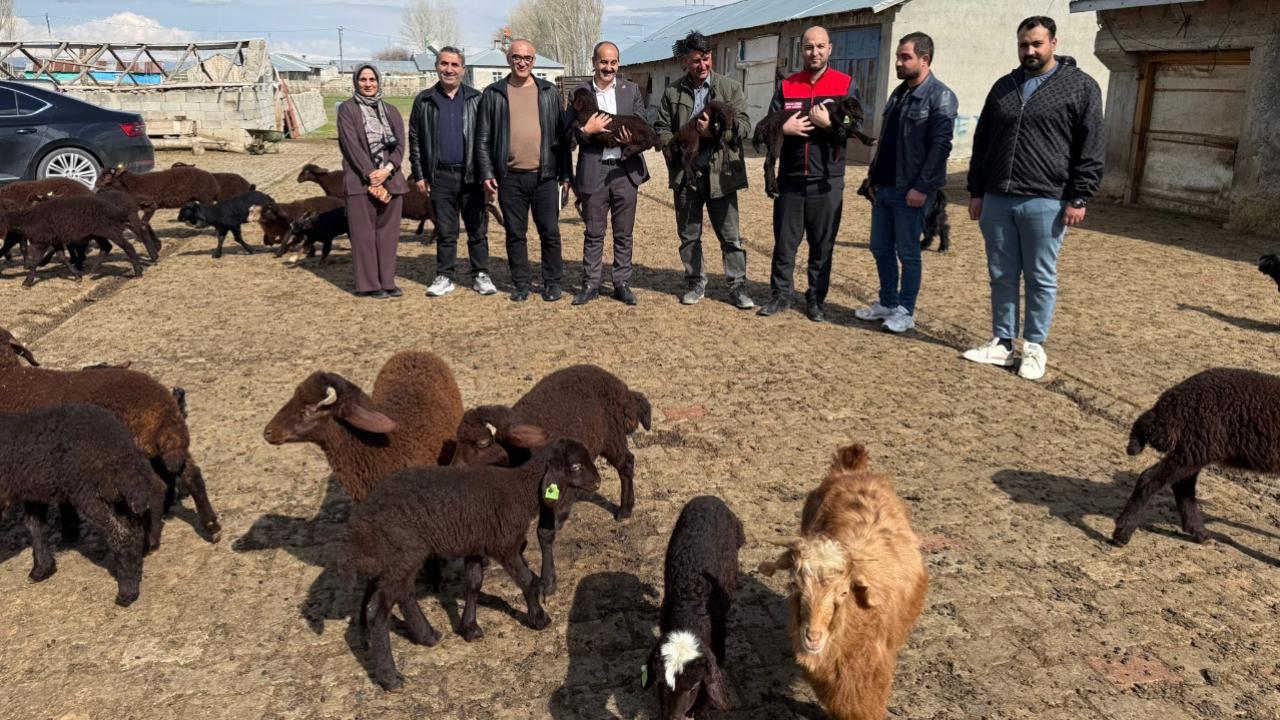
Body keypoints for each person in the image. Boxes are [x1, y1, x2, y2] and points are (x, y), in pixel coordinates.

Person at [962, 16, 1103, 380]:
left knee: (1040, 276)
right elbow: (982, 143)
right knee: (1001, 273)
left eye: (1037, 44)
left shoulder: (1080, 87)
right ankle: (1003, 343)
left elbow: (1091, 145)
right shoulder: (1004, 87)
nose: (1030, 51)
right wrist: (976, 190)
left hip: (1046, 198)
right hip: (997, 197)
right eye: (1024, 44)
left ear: (1053, 43)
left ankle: (1035, 347)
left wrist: (1079, 196)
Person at [757, 26, 863, 322]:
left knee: (822, 245)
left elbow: (852, 131)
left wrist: (829, 125)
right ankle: (780, 296)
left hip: (827, 181)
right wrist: (784, 129)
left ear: (830, 49)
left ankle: (816, 299)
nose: (814, 52)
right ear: (800, 50)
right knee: (785, 243)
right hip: (791, 179)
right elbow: (767, 126)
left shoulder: (845, 85)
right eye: (808, 47)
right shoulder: (788, 85)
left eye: (819, 47)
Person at [853, 32, 957, 332]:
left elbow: (940, 147)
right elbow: (887, 142)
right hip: (884, 187)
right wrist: (872, 177)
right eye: (898, 56)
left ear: (925, 60)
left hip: (910, 190)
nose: (898, 62)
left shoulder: (940, 96)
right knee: (879, 247)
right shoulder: (899, 94)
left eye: (905, 57)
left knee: (908, 253)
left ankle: (905, 309)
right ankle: (886, 301)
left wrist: (922, 187)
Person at [654, 31, 754, 309]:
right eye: (696, 61)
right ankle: (696, 282)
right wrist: (672, 146)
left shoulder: (730, 89)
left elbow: (744, 127)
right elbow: (661, 127)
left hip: (721, 174)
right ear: (686, 61)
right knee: (689, 235)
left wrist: (715, 131)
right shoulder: (673, 92)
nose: (703, 66)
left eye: (707, 59)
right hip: (686, 174)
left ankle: (737, 286)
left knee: (731, 236)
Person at [476, 39, 572, 302]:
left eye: (527, 58)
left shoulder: (549, 92)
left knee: (549, 232)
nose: (522, 62)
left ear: (534, 61)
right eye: (517, 57)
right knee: (515, 234)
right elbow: (482, 138)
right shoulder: (493, 93)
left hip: (544, 176)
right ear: (509, 59)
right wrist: (486, 173)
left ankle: (552, 282)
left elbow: (562, 137)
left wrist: (566, 175)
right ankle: (521, 283)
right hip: (510, 178)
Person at [409, 47, 497, 298]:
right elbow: (415, 138)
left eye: (455, 65)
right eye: (444, 64)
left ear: (463, 69)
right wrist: (419, 173)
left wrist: (487, 174)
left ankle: (481, 274)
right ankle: (444, 275)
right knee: (446, 231)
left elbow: (487, 139)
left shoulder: (476, 99)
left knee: (477, 229)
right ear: (437, 66)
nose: (449, 69)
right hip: (441, 176)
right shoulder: (424, 100)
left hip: (471, 176)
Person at [570, 41, 650, 307]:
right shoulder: (579, 94)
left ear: (618, 63)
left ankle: (621, 283)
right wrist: (587, 131)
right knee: (594, 232)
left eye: (613, 62)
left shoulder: (631, 90)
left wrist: (629, 139)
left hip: (625, 171)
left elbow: (641, 124)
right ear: (594, 62)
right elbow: (571, 136)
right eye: (603, 62)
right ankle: (591, 283)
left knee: (623, 232)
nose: (608, 67)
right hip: (595, 171)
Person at [338, 64, 409, 298]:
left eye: (372, 79)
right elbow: (351, 145)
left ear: (379, 81)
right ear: (356, 82)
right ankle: (369, 284)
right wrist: (371, 175)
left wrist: (387, 170)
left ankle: (387, 281)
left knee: (388, 235)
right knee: (363, 235)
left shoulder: (391, 111)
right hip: (360, 181)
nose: (368, 84)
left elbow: (400, 144)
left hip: (391, 179)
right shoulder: (348, 110)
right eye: (363, 79)